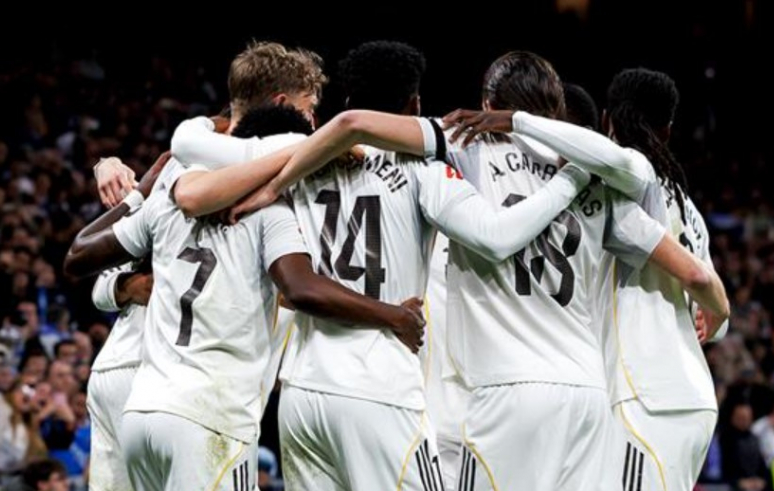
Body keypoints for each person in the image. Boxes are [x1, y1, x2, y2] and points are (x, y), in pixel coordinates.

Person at [64, 143, 425, 490]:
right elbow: (302, 290)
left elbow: (95, 275)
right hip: (190, 394)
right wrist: (394, 316)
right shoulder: (261, 209)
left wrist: (129, 193)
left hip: (137, 390)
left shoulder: (181, 192)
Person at [442, 66, 732, 491]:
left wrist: (518, 122)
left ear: (607, 122)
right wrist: (720, 309)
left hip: (643, 395)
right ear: (668, 130)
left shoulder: (623, 192)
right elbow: (710, 313)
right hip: (690, 392)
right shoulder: (691, 211)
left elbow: (694, 275)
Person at [84, 40, 328, 491]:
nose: (314, 123)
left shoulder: (184, 158)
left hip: (145, 395)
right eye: (309, 109)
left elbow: (93, 268)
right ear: (282, 104)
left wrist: (114, 173)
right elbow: (300, 288)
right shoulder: (273, 179)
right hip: (191, 394)